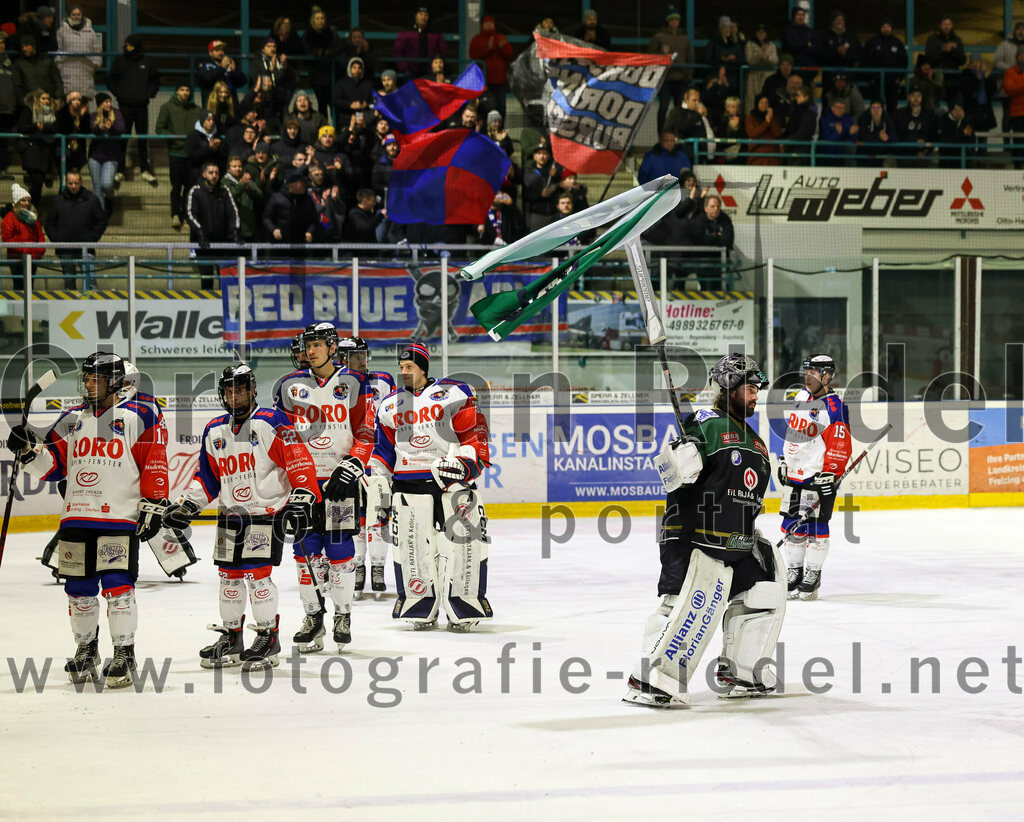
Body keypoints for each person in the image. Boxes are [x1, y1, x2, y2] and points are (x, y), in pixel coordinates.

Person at [623, 353, 781, 706]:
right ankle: (650, 676)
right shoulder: (703, 423)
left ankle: (741, 672)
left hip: (736, 542)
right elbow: (668, 473)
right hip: (692, 536)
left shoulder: (755, 440)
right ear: (728, 387)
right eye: (750, 388)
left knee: (763, 594)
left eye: (757, 388)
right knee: (681, 604)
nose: (756, 394)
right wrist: (679, 461)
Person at [7, 352, 169, 688]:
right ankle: (86, 647)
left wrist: (153, 504)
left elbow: (153, 460)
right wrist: (27, 452)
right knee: (78, 591)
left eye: (96, 378)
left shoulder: (140, 414)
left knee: (118, 589)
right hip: (77, 517)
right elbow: (53, 466)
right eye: (87, 378)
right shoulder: (71, 418)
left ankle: (124, 652)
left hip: (118, 518)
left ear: (114, 382)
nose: (89, 384)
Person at [163, 364, 321, 671]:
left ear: (252, 390)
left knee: (257, 575)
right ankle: (232, 636)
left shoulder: (272, 421)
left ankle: (268, 637)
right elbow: (207, 478)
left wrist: (303, 495)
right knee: (229, 578)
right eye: (229, 390)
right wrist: (188, 505)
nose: (235, 396)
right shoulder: (215, 429)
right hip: (230, 515)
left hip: (265, 512)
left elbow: (298, 459)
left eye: (241, 389)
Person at [369, 343, 492, 632]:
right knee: (411, 547)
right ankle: (418, 602)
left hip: (450, 483)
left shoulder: (453, 393)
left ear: (423, 368)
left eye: (409, 367)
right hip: (408, 484)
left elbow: (473, 436)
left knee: (464, 543)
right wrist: (376, 478)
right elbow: (383, 449)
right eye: (401, 368)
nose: (404, 373)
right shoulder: (389, 405)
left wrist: (466, 464)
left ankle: (465, 601)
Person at [272, 323, 374, 651]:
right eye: (307, 345)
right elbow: (282, 436)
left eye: (317, 344)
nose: (311, 350)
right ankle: (313, 616)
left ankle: (343, 614)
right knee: (305, 554)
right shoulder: (289, 385)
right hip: (303, 483)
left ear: (332, 347)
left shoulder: (354, 381)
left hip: (341, 482)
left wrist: (353, 463)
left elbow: (366, 431)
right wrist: (292, 476)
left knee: (341, 551)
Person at [776, 354, 852, 601]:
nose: (807, 378)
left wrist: (831, 473)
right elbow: (793, 433)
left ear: (827, 376)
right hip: (795, 475)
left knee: (816, 527)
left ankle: (813, 573)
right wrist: (785, 461)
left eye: (813, 373)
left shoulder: (834, 407)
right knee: (791, 526)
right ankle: (794, 572)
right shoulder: (800, 396)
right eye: (805, 372)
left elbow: (840, 442)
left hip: (817, 477)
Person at [335, 337, 397, 599]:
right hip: (350, 459)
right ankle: (359, 566)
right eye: (353, 355)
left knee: (379, 515)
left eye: (362, 354)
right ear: (341, 358)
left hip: (379, 460)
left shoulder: (382, 379)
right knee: (356, 518)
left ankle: (378, 568)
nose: (361, 359)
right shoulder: (336, 385)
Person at [106, 34, 159, 183]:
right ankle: (120, 170)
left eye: (129, 44)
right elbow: (110, 80)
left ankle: (145, 169)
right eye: (126, 44)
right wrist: (120, 94)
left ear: (136, 45)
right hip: (124, 107)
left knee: (142, 138)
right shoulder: (120, 61)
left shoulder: (147, 62)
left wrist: (148, 94)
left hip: (142, 107)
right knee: (122, 139)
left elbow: (155, 81)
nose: (126, 46)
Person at [44, 169, 105, 288]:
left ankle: (90, 305)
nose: (73, 186)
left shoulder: (92, 200)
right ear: (66, 183)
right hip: (65, 250)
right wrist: (57, 240)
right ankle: (69, 306)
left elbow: (102, 221)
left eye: (76, 183)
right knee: (69, 281)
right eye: (70, 183)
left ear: (81, 182)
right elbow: (49, 224)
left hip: (86, 249)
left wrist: (91, 239)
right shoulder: (57, 201)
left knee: (90, 281)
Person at [185, 161, 240, 287]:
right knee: (207, 277)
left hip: (222, 243)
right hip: (204, 244)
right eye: (211, 173)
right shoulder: (196, 191)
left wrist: (235, 231)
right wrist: (200, 233)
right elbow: (190, 214)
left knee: (224, 279)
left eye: (216, 173)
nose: (214, 176)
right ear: (204, 174)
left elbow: (233, 213)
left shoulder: (224, 191)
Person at [156, 84, 200, 228]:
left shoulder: (196, 110)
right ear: (176, 91)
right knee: (176, 186)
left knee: (190, 186)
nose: (185, 92)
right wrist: (172, 137)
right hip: (175, 153)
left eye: (187, 89)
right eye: (182, 89)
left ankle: (187, 214)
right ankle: (176, 213)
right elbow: (159, 128)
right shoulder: (168, 107)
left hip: (192, 154)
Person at [650, 9, 693, 133]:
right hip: (666, 79)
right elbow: (652, 56)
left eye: (677, 20)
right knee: (663, 107)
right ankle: (662, 135)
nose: (675, 22)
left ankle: (677, 135)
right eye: (672, 20)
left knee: (679, 109)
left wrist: (688, 75)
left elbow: (690, 57)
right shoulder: (659, 37)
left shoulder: (684, 38)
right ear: (668, 21)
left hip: (681, 79)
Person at [16, 88, 58, 204]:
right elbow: (22, 127)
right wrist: (35, 127)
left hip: (45, 152)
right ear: (37, 99)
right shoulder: (29, 110)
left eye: (48, 99)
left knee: (38, 184)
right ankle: (25, 206)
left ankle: (30, 207)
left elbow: (55, 128)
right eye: (43, 98)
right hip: (32, 151)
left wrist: (43, 128)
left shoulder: (52, 112)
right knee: (37, 180)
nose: (46, 101)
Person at [469, 16, 514, 119]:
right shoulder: (477, 39)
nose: (489, 25)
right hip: (483, 81)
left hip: (499, 81)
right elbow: (473, 55)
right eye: (486, 23)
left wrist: (503, 46)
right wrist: (489, 48)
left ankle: (499, 131)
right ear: (482, 25)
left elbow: (509, 54)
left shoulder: (500, 37)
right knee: (484, 107)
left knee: (501, 107)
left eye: (491, 23)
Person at [2, 183, 45, 286]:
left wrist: (39, 251)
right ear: (17, 203)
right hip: (17, 259)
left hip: (33, 258)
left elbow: (40, 236)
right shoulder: (10, 218)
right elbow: (7, 238)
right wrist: (25, 249)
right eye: (23, 200)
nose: (26, 203)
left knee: (30, 286)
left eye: (28, 200)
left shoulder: (34, 218)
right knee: (19, 286)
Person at [686, 195, 734, 288]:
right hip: (703, 264)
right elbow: (698, 241)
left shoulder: (725, 219)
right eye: (712, 206)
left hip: (721, 263)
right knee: (706, 288)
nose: (716, 209)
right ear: (706, 208)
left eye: (718, 206)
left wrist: (710, 238)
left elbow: (728, 240)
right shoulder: (699, 221)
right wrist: (717, 235)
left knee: (720, 288)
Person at [263, 168, 317, 249]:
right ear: (290, 185)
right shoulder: (276, 198)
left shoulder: (308, 199)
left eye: (303, 184)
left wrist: (310, 232)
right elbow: (266, 218)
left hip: (301, 244)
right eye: (299, 184)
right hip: (279, 244)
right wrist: (273, 230)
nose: (302, 186)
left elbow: (314, 220)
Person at [55, 6, 101, 100]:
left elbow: (96, 51)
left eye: (79, 14)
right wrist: (61, 67)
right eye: (74, 14)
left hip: (86, 74)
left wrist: (94, 66)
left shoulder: (91, 32)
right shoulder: (62, 31)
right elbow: (58, 51)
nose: (76, 17)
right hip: (67, 75)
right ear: (69, 16)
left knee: (84, 106)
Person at [861, 19, 907, 109]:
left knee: (892, 106)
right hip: (876, 80)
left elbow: (904, 61)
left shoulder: (897, 43)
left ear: (891, 28)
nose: (886, 29)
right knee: (876, 104)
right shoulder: (872, 42)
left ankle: (892, 122)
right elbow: (865, 60)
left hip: (892, 81)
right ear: (880, 28)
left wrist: (899, 78)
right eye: (884, 27)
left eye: (888, 27)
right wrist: (869, 77)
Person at [301, 6, 339, 114]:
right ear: (313, 20)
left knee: (332, 103)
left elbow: (337, 47)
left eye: (322, 18)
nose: (320, 21)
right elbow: (305, 50)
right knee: (321, 103)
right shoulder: (308, 34)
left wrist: (328, 52)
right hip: (316, 74)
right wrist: (316, 53)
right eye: (318, 18)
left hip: (329, 72)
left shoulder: (330, 33)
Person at [664, 86, 716, 163]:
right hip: (684, 156)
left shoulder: (700, 115)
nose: (697, 103)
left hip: (701, 157)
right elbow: (683, 127)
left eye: (698, 100)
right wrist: (698, 115)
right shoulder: (677, 112)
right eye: (694, 100)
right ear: (686, 98)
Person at [395, 7, 447, 80]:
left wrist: (438, 67)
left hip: (430, 71)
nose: (423, 17)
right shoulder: (406, 32)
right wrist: (404, 68)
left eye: (425, 15)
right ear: (416, 16)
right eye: (421, 14)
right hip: (411, 71)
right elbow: (398, 51)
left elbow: (442, 51)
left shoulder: (435, 33)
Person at [221, 155, 264, 242]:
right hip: (231, 229)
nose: (238, 168)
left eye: (240, 166)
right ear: (228, 169)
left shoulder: (246, 181)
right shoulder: (224, 182)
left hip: (248, 227)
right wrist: (242, 185)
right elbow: (230, 196)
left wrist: (248, 188)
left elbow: (260, 196)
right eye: (234, 166)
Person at [12, 34, 63, 105]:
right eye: (22, 47)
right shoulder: (18, 64)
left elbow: (58, 81)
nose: (24, 49)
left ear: (33, 46)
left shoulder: (47, 61)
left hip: (48, 102)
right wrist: (23, 101)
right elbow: (17, 86)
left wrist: (58, 98)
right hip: (30, 105)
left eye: (26, 46)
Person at [924, 15, 966, 103]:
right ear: (940, 25)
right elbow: (929, 58)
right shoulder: (932, 39)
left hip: (953, 78)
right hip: (937, 78)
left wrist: (954, 50)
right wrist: (943, 50)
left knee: (954, 104)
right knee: (936, 105)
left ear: (952, 26)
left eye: (949, 24)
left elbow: (962, 60)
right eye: (944, 24)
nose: (946, 27)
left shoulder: (957, 40)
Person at [523, 144, 562, 231]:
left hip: (553, 214)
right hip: (537, 214)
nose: (542, 156)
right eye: (539, 153)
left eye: (544, 154)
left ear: (548, 156)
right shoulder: (529, 173)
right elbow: (526, 195)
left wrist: (555, 176)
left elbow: (560, 188)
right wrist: (540, 194)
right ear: (534, 156)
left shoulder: (553, 171)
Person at [197, 40, 247, 108]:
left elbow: (243, 82)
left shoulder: (228, 65)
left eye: (222, 50)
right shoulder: (205, 65)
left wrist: (234, 71)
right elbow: (207, 78)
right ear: (210, 53)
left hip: (229, 107)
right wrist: (222, 68)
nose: (221, 52)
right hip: (212, 106)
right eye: (217, 50)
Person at [893, 87, 938, 164]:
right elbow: (897, 135)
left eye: (918, 96)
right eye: (913, 95)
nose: (916, 98)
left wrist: (926, 149)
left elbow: (933, 135)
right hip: (904, 154)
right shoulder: (899, 114)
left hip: (923, 154)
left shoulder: (929, 114)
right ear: (908, 97)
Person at [185, 109, 226, 184]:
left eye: (213, 120)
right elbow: (191, 157)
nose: (211, 122)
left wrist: (216, 149)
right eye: (208, 120)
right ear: (202, 121)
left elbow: (223, 157)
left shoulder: (218, 136)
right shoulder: (193, 136)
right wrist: (208, 148)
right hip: (198, 176)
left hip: (215, 176)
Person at [744, 23, 778, 112]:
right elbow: (750, 60)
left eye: (763, 32)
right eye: (759, 32)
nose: (761, 35)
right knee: (751, 100)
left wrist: (765, 54)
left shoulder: (771, 45)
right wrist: (760, 53)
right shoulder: (750, 44)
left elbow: (774, 60)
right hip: (754, 76)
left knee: (767, 99)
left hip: (767, 77)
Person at [706, 16, 744, 91]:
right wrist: (721, 59)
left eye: (729, 27)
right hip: (716, 74)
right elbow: (708, 58)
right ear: (720, 29)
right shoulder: (714, 42)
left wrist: (733, 59)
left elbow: (742, 59)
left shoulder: (735, 43)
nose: (727, 30)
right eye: (725, 27)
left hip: (732, 76)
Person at [332, 57, 373, 124]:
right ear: (349, 68)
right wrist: (350, 104)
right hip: (346, 117)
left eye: (359, 68)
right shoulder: (341, 84)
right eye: (354, 67)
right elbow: (335, 100)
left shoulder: (368, 84)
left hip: (364, 119)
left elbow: (372, 101)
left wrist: (366, 105)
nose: (357, 70)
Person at [935, 100, 977, 167]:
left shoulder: (966, 121)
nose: (958, 112)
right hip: (947, 162)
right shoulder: (943, 121)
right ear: (951, 110)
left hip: (964, 162)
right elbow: (946, 141)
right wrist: (962, 133)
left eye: (960, 109)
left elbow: (972, 140)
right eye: (956, 109)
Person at [781, 6, 819, 81]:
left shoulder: (809, 31)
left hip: (809, 70)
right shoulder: (787, 30)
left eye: (803, 15)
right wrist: (806, 44)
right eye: (798, 15)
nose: (801, 17)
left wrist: (802, 46)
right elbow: (791, 46)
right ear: (794, 16)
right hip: (794, 69)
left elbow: (816, 47)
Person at [55, 90, 90, 171]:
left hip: (78, 152)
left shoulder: (84, 114)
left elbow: (87, 131)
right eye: (74, 99)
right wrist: (74, 117)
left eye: (79, 99)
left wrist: (81, 117)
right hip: (64, 151)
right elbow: (63, 129)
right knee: (64, 177)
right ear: (68, 101)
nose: (77, 102)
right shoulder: (61, 113)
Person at [745, 94, 783, 164]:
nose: (764, 105)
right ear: (757, 104)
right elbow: (752, 133)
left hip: (773, 156)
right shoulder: (750, 118)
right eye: (761, 103)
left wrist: (771, 119)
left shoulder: (775, 118)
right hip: (756, 156)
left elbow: (777, 133)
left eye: (766, 103)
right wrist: (766, 122)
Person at [818, 98, 858, 165]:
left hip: (843, 157)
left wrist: (853, 133)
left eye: (842, 108)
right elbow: (826, 139)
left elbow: (851, 140)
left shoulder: (848, 120)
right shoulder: (825, 119)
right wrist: (838, 133)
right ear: (832, 108)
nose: (840, 110)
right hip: (827, 156)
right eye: (838, 107)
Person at [1003, 45, 1024, 169]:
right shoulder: (1010, 72)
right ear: (1018, 57)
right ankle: (1017, 166)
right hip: (1017, 113)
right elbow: (1009, 89)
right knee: (1018, 141)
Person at [856, 99, 896, 165]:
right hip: (866, 155)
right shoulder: (864, 119)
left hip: (882, 154)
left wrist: (887, 138)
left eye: (878, 108)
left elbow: (894, 137)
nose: (876, 110)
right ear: (870, 109)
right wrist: (879, 137)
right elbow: (863, 137)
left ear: (882, 109)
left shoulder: (888, 119)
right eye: (873, 108)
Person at [0, 33, 15, 181]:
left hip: (7, 111)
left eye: (3, 43)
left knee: (4, 143)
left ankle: (2, 170)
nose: (1, 45)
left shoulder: (9, 62)